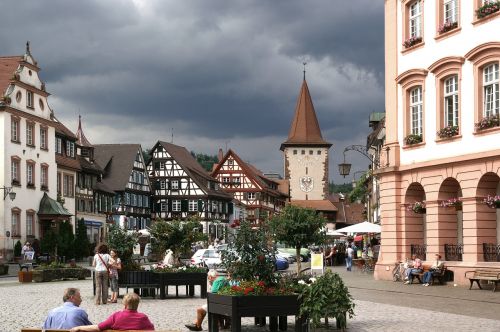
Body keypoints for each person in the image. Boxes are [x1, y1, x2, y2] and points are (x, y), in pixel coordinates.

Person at [70, 292, 154, 331]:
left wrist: (79, 327)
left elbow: (98, 327)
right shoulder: (143, 318)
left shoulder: (117, 316)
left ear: (124, 304)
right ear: (137, 305)